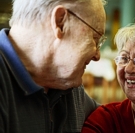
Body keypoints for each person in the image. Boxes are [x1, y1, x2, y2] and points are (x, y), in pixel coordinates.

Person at [0, 0, 106, 132]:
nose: (97, 56)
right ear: (60, 22)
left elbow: (114, 120)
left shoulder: (66, 83)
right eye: (95, 38)